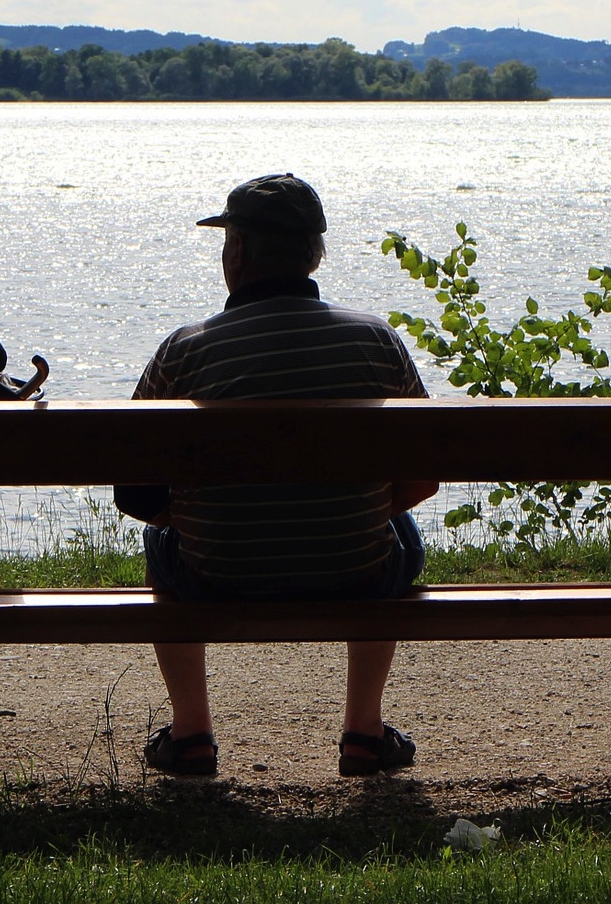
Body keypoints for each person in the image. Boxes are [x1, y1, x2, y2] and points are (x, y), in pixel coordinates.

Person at [114, 173, 438, 779]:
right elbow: (422, 480)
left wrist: (198, 518)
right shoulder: (376, 342)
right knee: (402, 535)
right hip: (355, 571)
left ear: (236, 252)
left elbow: (134, 489)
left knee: (160, 545)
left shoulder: (184, 350)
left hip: (217, 573)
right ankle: (364, 733)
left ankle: (191, 737)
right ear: (314, 254)